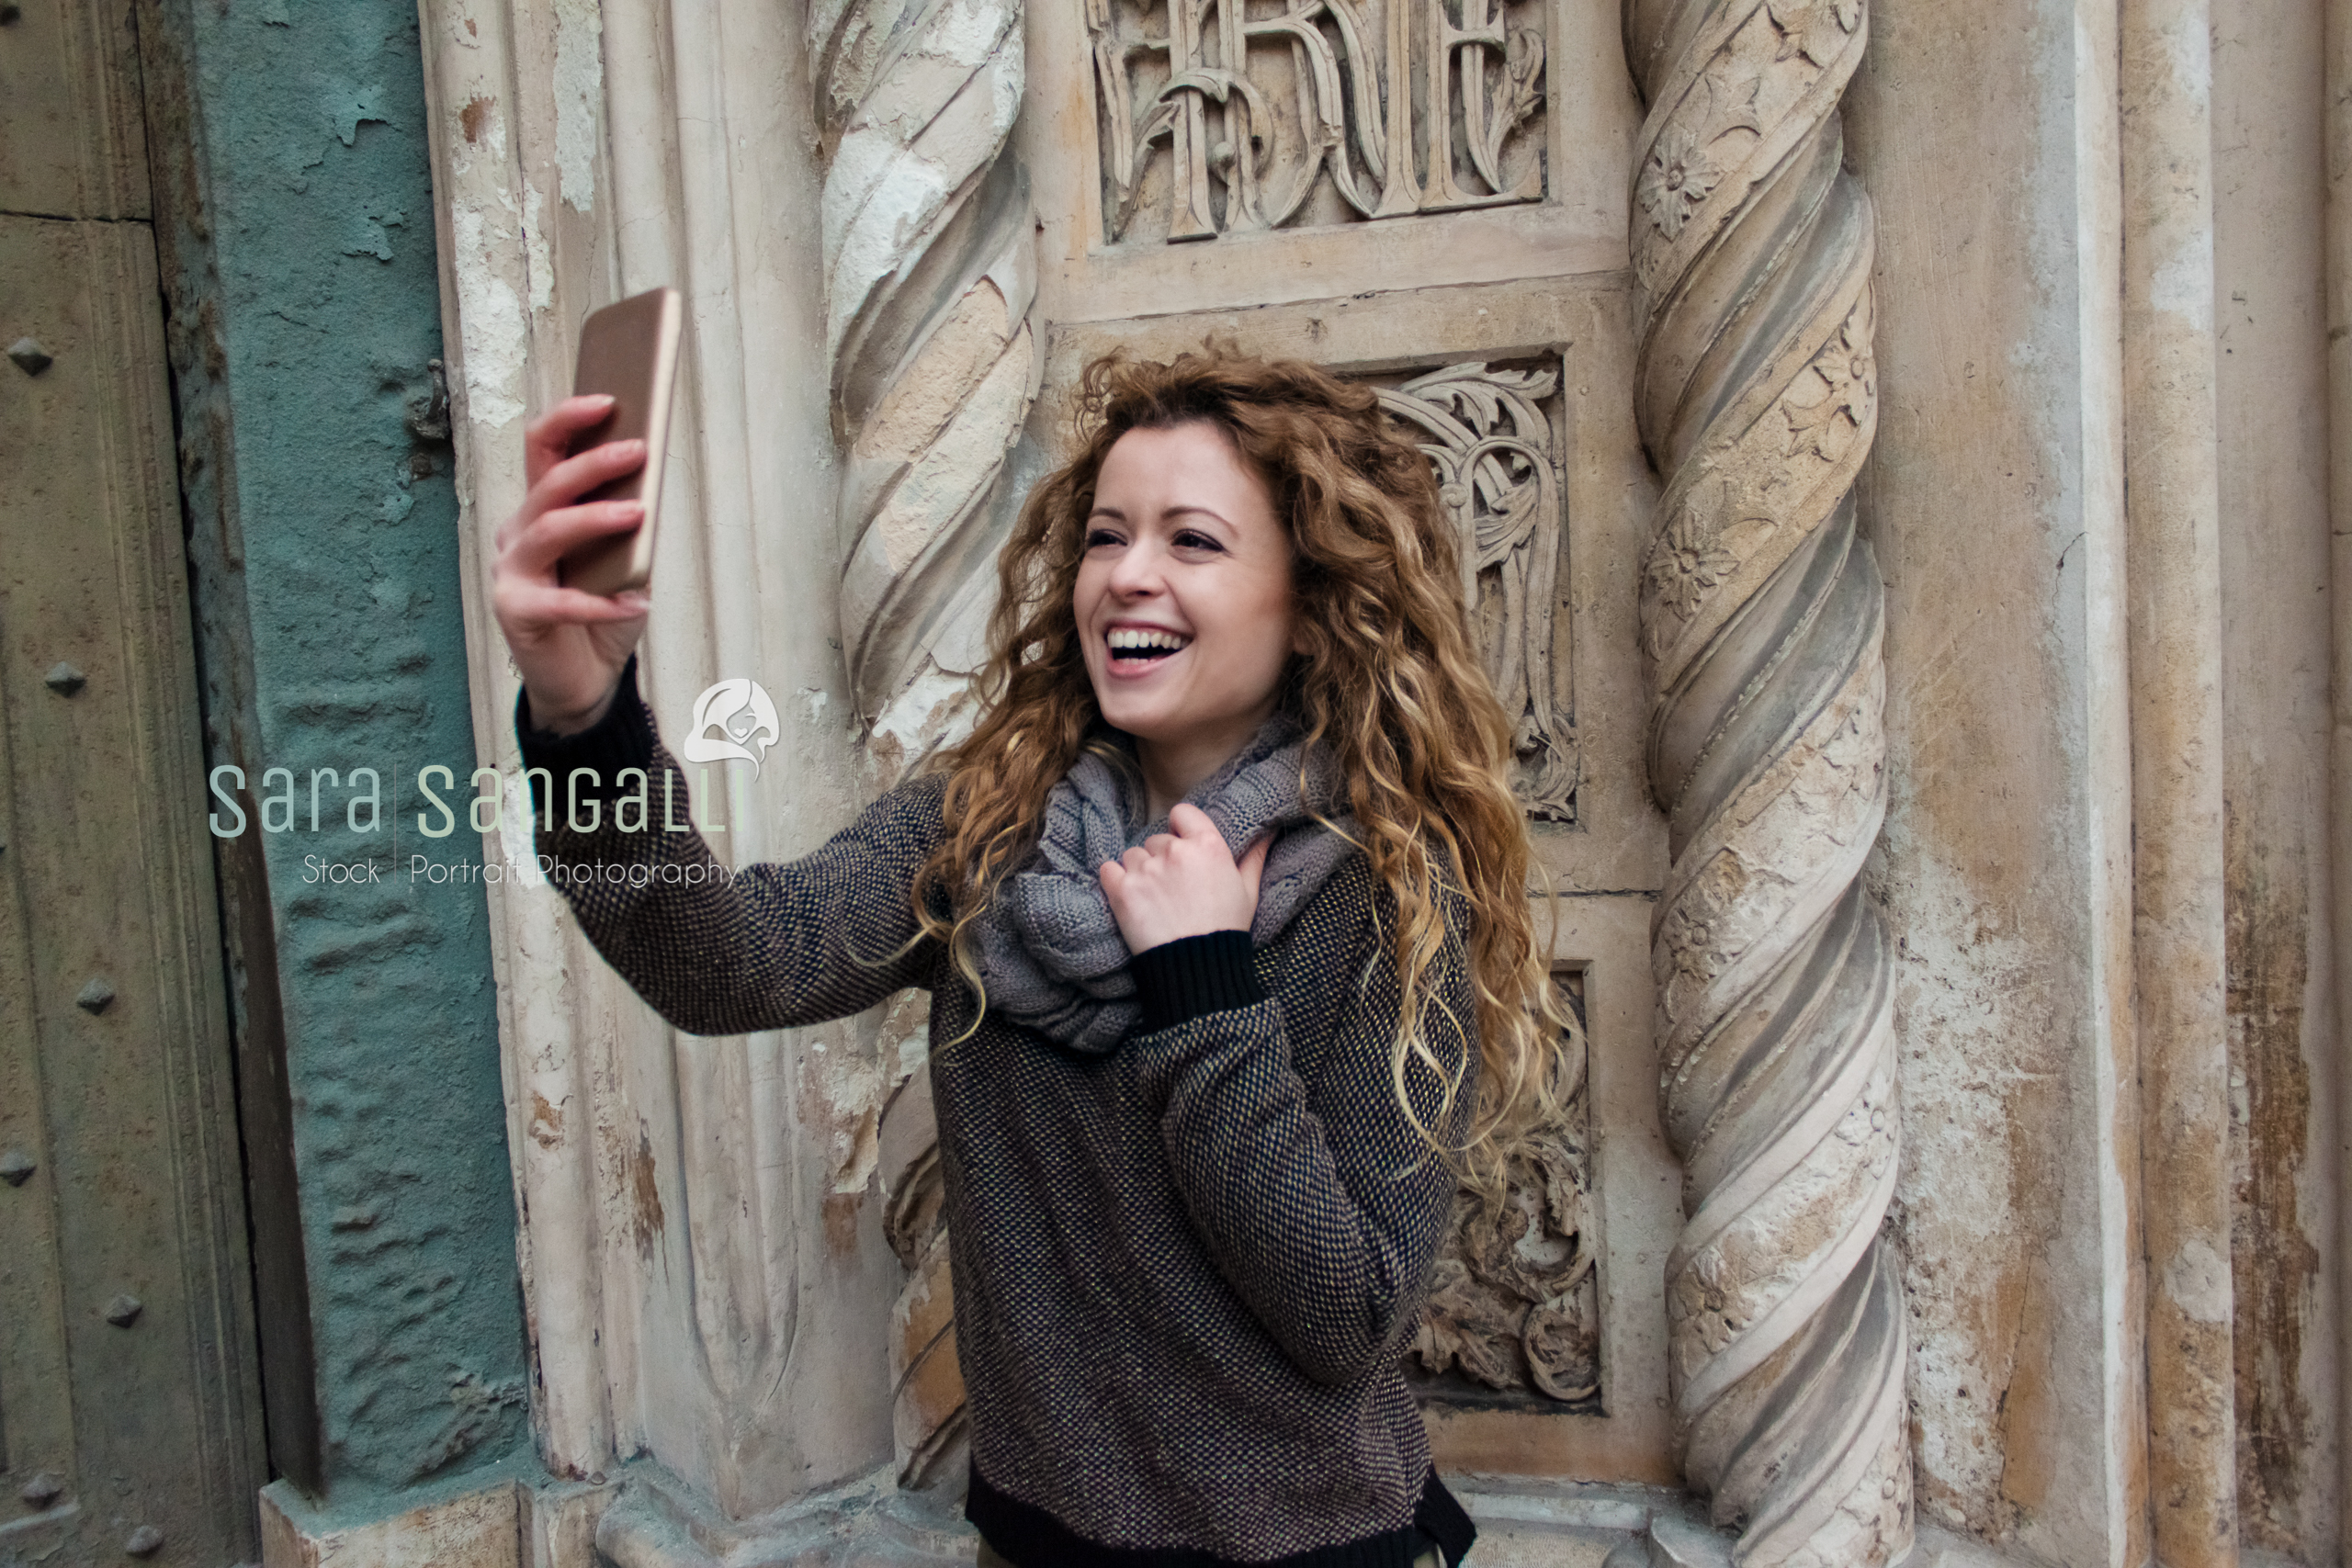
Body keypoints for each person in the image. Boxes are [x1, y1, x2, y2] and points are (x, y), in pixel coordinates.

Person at [495, 348, 1572, 1568]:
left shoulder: (1388, 888)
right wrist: (584, 724)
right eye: (1107, 538)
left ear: (1314, 601)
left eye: (1193, 543)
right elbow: (729, 966)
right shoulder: (984, 829)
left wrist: (1206, 985)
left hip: (1306, 1551)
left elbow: (1351, 1319)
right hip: (1038, 1542)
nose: (1129, 578)